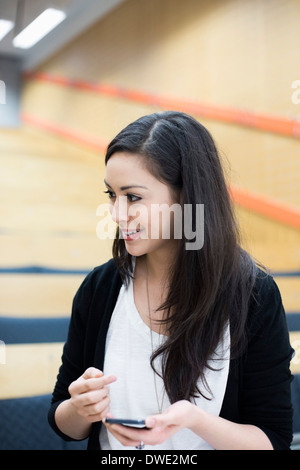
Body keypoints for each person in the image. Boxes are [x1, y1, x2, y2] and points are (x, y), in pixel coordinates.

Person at [48, 111, 294, 450]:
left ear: (186, 198)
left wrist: (197, 421)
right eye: (111, 194)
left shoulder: (254, 295)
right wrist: (79, 408)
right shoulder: (100, 288)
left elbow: (274, 440)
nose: (117, 214)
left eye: (133, 197)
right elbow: (65, 424)